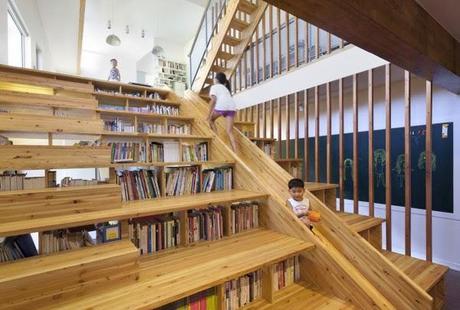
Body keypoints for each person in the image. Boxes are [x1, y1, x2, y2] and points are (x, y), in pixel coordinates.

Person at [207, 72, 237, 152]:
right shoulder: (225, 88)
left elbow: (213, 100)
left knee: (211, 120)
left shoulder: (214, 87)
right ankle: (235, 153)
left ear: (216, 80)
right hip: (232, 106)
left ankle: (218, 141)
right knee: (229, 131)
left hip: (223, 106)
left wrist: (208, 115)